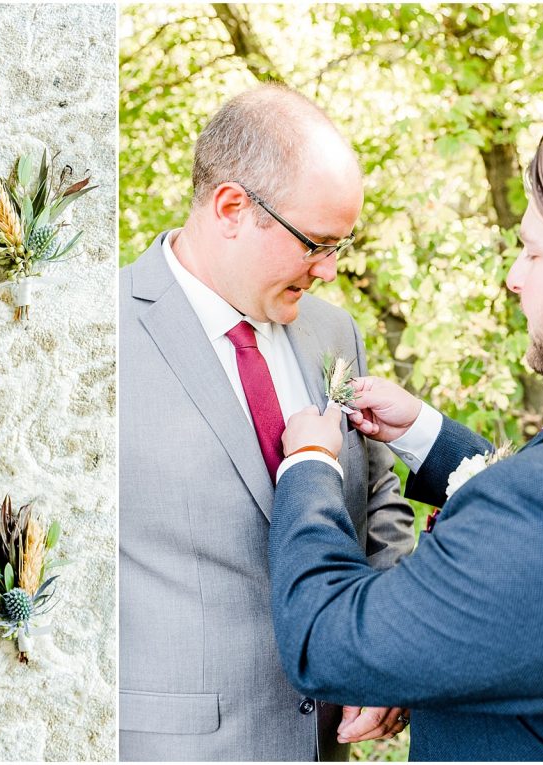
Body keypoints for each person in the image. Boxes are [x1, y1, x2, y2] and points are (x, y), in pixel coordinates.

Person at [268, 108, 543, 761]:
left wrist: (312, 466)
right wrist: (427, 435)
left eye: (535, 252)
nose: (514, 277)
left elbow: (326, 638)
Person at [119, 84, 415, 761]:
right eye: (316, 242)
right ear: (231, 207)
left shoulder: (332, 331)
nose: (332, 269)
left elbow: (378, 501)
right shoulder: (101, 335)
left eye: (342, 243)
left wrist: (385, 653)